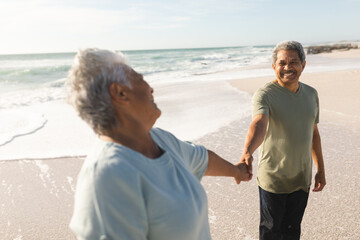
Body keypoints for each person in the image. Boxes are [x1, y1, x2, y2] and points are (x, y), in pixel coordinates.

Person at [67, 48, 250, 240]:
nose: (150, 88)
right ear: (120, 93)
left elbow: (201, 159)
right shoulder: (109, 175)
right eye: (139, 79)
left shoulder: (159, 139)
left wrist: (237, 171)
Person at [239, 41, 326, 240]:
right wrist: (247, 151)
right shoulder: (265, 95)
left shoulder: (311, 94)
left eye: (293, 62)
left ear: (303, 65)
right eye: (282, 63)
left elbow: (314, 134)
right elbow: (259, 124)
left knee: (292, 232)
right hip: (273, 180)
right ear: (274, 67)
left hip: (301, 179)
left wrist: (320, 169)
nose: (287, 68)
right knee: (270, 233)